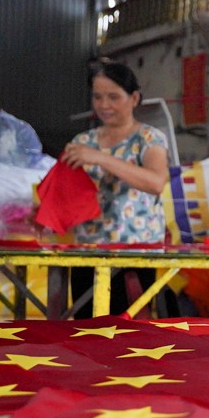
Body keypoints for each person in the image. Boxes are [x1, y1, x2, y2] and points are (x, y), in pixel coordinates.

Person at [61, 61, 170, 317]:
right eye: (98, 97)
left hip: (135, 257)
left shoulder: (150, 139)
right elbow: (66, 194)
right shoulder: (82, 142)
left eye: (113, 97)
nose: (104, 105)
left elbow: (156, 183)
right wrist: (43, 213)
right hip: (87, 255)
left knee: (129, 339)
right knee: (86, 333)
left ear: (134, 98)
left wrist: (101, 158)